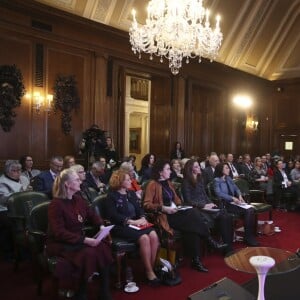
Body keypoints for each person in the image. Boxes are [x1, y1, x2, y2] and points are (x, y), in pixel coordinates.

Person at [143, 160, 227, 273]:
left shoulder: (168, 183)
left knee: (192, 225)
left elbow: (177, 200)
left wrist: (179, 206)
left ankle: (196, 261)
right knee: (193, 217)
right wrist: (163, 208)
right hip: (164, 216)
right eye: (167, 169)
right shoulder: (152, 184)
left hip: (175, 212)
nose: (170, 171)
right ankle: (209, 241)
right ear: (160, 172)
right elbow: (147, 204)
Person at [47, 168, 113, 300]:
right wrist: (86, 240)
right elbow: (59, 232)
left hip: (79, 240)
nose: (80, 182)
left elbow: (92, 215)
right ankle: (81, 292)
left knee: (103, 247)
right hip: (62, 243)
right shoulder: (56, 204)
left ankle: (104, 291)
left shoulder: (78, 199)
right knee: (89, 253)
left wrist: (100, 226)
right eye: (77, 180)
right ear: (67, 184)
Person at [106, 170, 160, 286]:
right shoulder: (111, 196)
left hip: (136, 223)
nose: (131, 181)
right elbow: (113, 215)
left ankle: (149, 268)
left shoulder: (130, 193)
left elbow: (139, 208)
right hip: (121, 226)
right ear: (120, 181)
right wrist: (131, 221)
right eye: (127, 179)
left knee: (154, 235)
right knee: (144, 238)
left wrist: (142, 217)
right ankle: (150, 272)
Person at [182, 159, 234, 255]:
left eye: (199, 166)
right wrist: (204, 205)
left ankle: (228, 247)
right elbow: (188, 201)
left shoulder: (200, 179)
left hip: (206, 206)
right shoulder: (186, 182)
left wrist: (211, 203)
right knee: (222, 217)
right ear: (191, 169)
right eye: (196, 166)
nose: (199, 168)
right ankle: (224, 248)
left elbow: (205, 195)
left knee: (226, 216)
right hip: (197, 208)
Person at [213, 162, 259, 246]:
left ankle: (248, 236)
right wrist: (232, 198)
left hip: (235, 202)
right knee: (248, 211)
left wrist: (239, 195)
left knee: (250, 209)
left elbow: (236, 188)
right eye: (226, 168)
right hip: (225, 204)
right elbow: (219, 193)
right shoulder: (217, 180)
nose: (229, 169)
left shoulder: (228, 178)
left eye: (228, 167)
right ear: (221, 170)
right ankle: (248, 237)